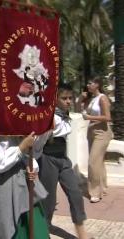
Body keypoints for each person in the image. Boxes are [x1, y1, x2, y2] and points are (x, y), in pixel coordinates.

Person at [36, 84, 89, 238]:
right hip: (47, 159)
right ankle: (43, 229)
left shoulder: (66, 116)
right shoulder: (50, 117)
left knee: (75, 193)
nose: (68, 101)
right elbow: (39, 140)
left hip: (63, 160)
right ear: (55, 99)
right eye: (64, 98)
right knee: (49, 199)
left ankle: (81, 232)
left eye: (70, 98)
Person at [77, 77, 113, 203]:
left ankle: (95, 192)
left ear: (97, 84)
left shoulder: (102, 98)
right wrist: (80, 99)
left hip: (102, 132)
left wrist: (90, 117)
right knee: (99, 161)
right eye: (88, 82)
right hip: (91, 131)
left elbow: (108, 117)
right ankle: (103, 188)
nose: (88, 85)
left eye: (90, 83)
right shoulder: (91, 99)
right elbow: (78, 110)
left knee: (93, 161)